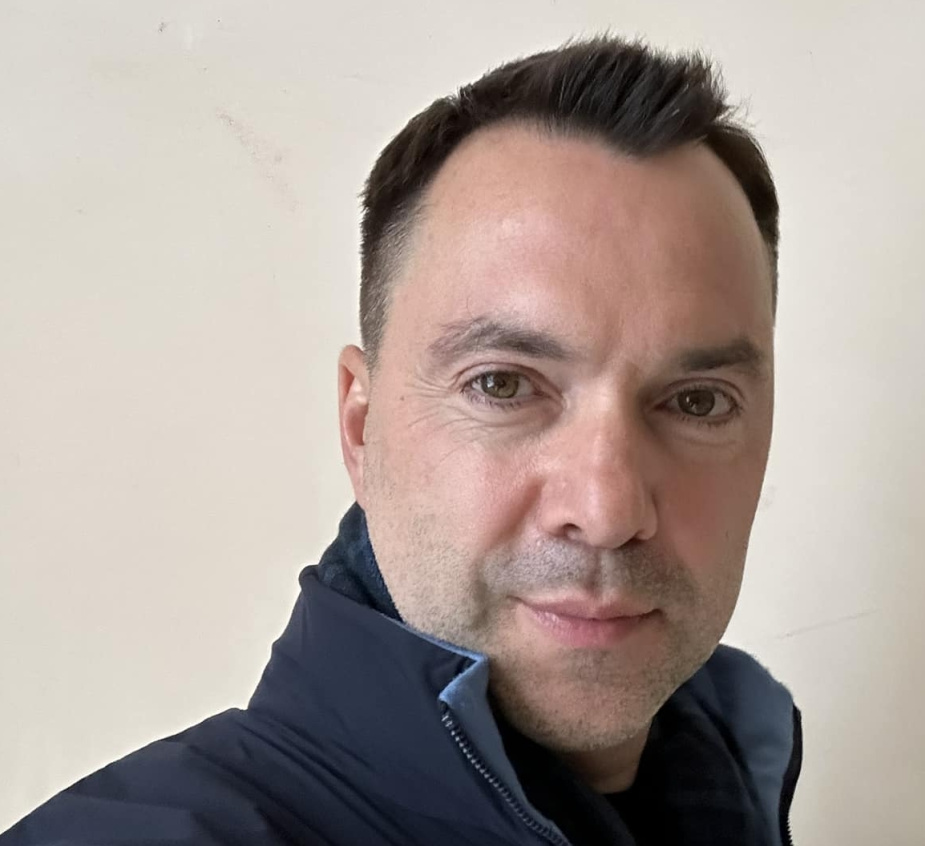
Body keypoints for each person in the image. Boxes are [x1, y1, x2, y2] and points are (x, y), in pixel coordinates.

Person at [2, 35, 802, 846]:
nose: (605, 510)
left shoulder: (725, 802)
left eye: (697, 402)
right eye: (503, 385)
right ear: (361, 427)